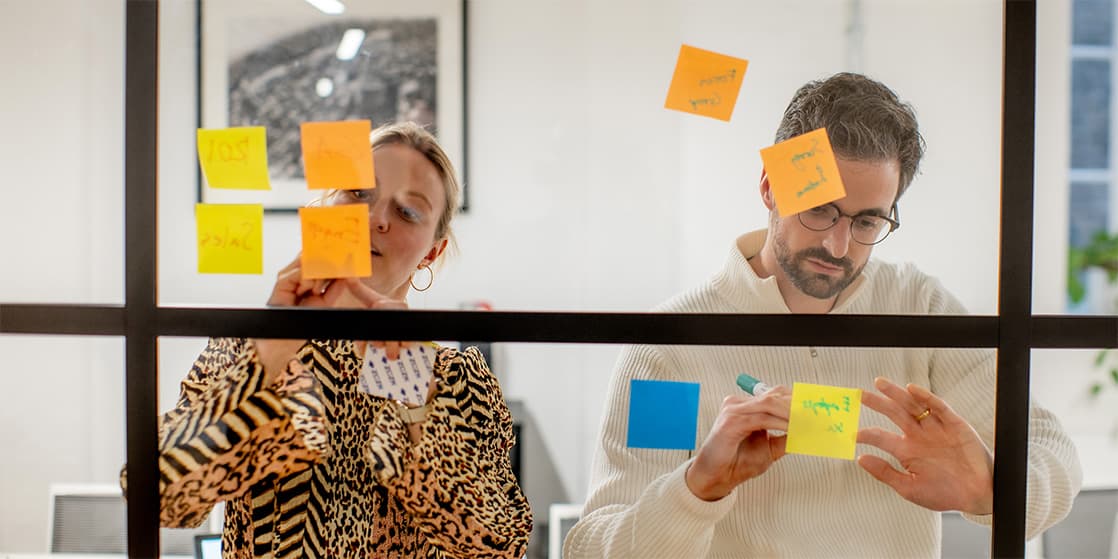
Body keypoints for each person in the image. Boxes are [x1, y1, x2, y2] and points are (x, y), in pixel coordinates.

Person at [564, 73, 1081, 558]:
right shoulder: (673, 353)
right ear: (770, 186)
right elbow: (594, 548)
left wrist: (989, 489)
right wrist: (696, 487)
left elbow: (1052, 450)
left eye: (868, 221)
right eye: (819, 209)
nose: (837, 245)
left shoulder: (918, 308)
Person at [121, 122, 531, 558]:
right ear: (326, 204)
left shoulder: (456, 379)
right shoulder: (243, 348)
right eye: (358, 193)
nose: (375, 219)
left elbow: (498, 548)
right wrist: (274, 347)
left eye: (408, 212)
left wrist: (412, 394)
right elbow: (155, 496)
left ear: (432, 251)